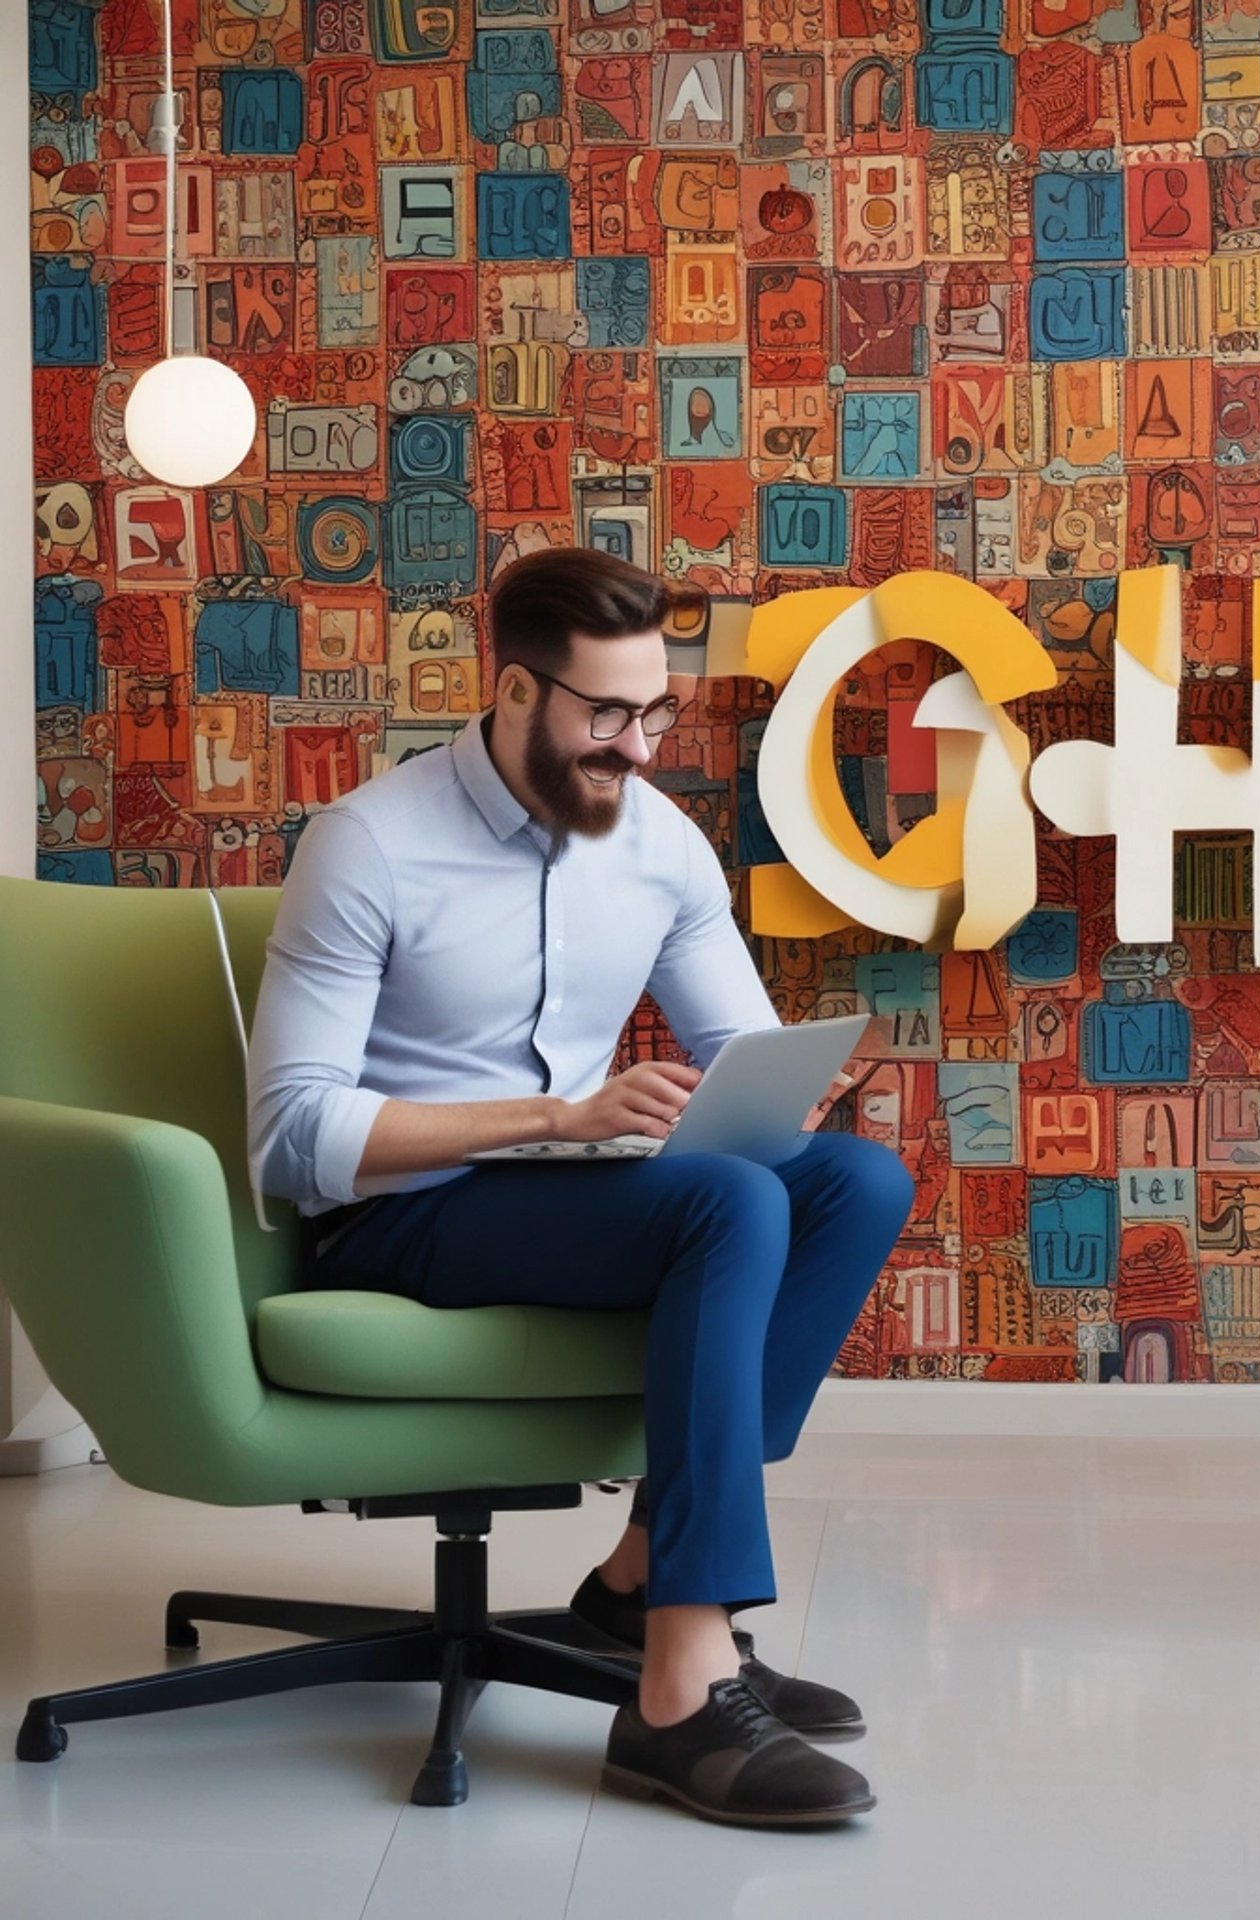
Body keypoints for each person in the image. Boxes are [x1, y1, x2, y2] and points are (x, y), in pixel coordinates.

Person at [246, 545, 916, 1829]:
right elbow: (292, 1137)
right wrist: (559, 1116)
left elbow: (736, 1051)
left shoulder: (658, 845)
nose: (642, 747)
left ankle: (651, 1577)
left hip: (578, 1189)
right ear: (510, 692)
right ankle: (676, 1689)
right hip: (403, 1212)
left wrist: (782, 1093)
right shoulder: (370, 845)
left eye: (655, 710)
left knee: (852, 1184)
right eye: (608, 715)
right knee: (733, 1207)